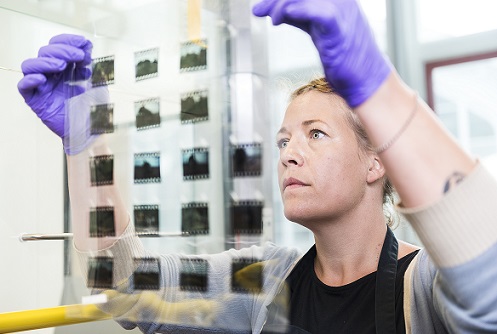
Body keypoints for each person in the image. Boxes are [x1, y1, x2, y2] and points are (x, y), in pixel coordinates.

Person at [17, 0, 497, 333]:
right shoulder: (266, 280)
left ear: (377, 162)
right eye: (284, 139)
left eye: (316, 134)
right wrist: (87, 144)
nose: (289, 153)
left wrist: (380, 90)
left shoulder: (427, 287)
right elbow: (125, 287)